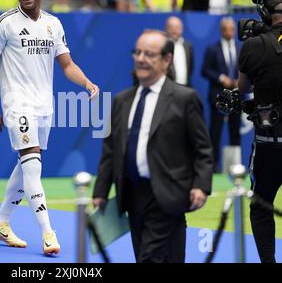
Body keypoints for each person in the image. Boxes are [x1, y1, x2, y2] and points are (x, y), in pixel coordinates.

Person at [0, 0, 99, 256]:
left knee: (26, 167)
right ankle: (48, 232)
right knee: (33, 166)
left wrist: (86, 82)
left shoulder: (53, 25)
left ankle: (1, 223)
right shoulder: (5, 23)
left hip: (44, 105)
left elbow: (67, 64)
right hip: (16, 104)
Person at [93, 29, 213, 263]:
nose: (140, 59)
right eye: (137, 52)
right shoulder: (121, 101)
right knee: (160, 256)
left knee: (150, 258)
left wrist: (201, 185)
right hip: (132, 195)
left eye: (149, 54)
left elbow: (203, 149)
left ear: (166, 60)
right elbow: (111, 151)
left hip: (169, 193)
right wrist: (100, 192)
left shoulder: (184, 98)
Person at [238, 0, 282, 263]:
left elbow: (242, 88)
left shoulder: (253, 45)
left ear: (265, 13)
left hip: (269, 144)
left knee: (262, 205)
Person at [202, 17, 241, 173]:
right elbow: (205, 70)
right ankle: (214, 166)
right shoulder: (212, 49)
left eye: (232, 29)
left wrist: (241, 80)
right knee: (215, 132)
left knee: (235, 131)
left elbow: (245, 68)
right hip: (218, 96)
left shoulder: (240, 48)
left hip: (237, 96)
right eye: (226, 29)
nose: (229, 32)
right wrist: (221, 78)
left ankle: (236, 166)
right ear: (221, 30)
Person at [165, 16, 194, 86]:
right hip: (168, 87)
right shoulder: (163, 45)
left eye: (177, 27)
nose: (174, 30)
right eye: (171, 27)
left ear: (182, 29)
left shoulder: (188, 45)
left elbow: (190, 67)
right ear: (166, 29)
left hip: (186, 86)